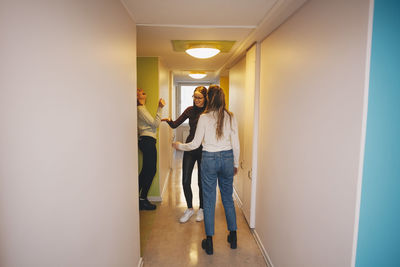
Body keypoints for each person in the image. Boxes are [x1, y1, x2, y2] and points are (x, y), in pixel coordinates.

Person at [173, 85, 240, 255]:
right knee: (227, 199)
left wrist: (179, 146)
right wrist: (235, 164)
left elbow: (195, 144)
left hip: (209, 159)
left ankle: (209, 242)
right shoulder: (230, 116)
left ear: (209, 99)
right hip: (227, 159)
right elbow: (236, 144)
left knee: (209, 201)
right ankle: (233, 237)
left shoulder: (204, 117)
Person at [162, 86, 207, 223]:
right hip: (190, 148)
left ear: (205, 98)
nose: (196, 100)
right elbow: (175, 124)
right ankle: (189, 209)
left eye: (199, 97)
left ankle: (202, 209)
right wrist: (169, 120)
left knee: (201, 182)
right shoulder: (189, 110)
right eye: (194, 97)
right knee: (185, 180)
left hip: (204, 150)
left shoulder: (209, 112)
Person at [137, 88, 166, 210]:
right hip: (147, 141)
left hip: (147, 140)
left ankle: (138, 198)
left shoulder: (142, 109)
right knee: (151, 170)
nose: (141, 90)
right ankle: (142, 199)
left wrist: (161, 119)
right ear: (136, 96)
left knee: (146, 171)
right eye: (138, 90)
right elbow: (154, 124)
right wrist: (160, 107)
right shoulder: (140, 109)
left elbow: (150, 125)